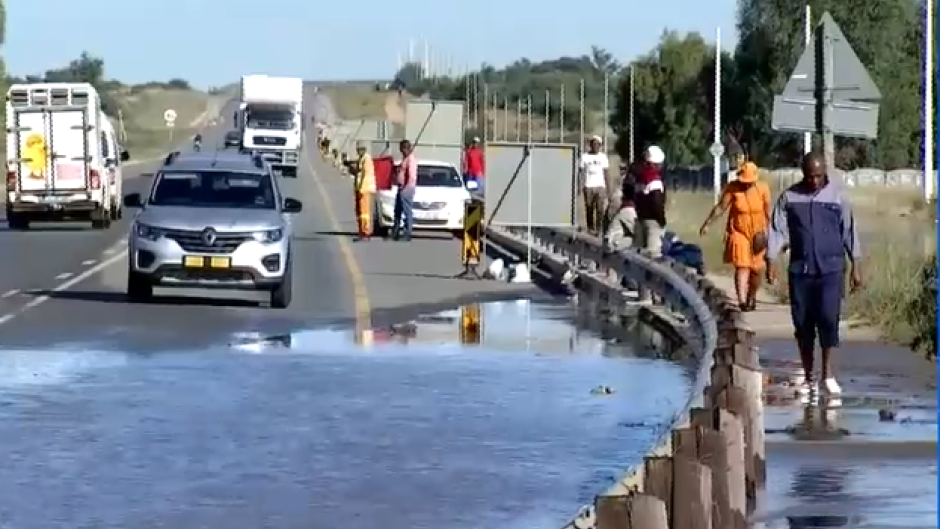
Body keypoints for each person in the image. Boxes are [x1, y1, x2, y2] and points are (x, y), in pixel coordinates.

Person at [766, 151, 863, 399]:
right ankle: (809, 377)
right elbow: (777, 229)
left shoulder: (837, 196)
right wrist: (771, 260)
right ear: (803, 173)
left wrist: (857, 266)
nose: (814, 181)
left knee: (829, 320)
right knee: (803, 325)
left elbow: (849, 231)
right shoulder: (789, 197)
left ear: (825, 173)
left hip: (831, 269)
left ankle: (827, 374)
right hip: (801, 270)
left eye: (818, 176)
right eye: (809, 177)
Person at [698, 162, 771, 311]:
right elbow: (720, 208)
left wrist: (772, 234)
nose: (746, 185)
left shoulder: (763, 188)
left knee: (757, 270)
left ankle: (751, 295)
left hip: (758, 234)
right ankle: (742, 301)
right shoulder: (732, 188)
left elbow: (768, 213)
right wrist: (707, 224)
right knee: (742, 266)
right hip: (739, 231)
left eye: (749, 182)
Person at [633, 145, 667, 257]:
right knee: (653, 256)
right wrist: (662, 220)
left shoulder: (640, 177)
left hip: (639, 219)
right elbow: (656, 202)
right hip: (652, 221)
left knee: (639, 256)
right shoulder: (654, 179)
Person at [578, 135, 609, 235]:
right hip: (588, 185)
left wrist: (608, 187)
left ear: (600, 146)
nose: (595, 146)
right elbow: (581, 172)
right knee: (589, 207)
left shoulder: (603, 157)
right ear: (590, 145)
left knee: (600, 208)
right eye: (593, 144)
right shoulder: (585, 157)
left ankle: (598, 228)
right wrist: (580, 185)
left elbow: (606, 172)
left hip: (600, 185)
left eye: (597, 144)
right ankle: (590, 227)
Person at [392, 139, 417, 241]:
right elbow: (403, 169)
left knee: (407, 211)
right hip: (401, 188)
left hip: (407, 188)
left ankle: (407, 233)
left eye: (402, 149)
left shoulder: (411, 159)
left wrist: (405, 189)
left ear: (405, 148)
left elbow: (411, 176)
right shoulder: (405, 158)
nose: (401, 151)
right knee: (397, 210)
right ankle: (396, 231)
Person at [604, 182, 637, 251]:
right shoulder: (628, 210)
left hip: (609, 240)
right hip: (612, 244)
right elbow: (636, 231)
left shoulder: (623, 208)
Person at [353, 142, 376, 241]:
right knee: (359, 212)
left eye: (359, 149)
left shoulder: (366, 159)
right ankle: (361, 231)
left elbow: (365, 175)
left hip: (364, 189)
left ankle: (365, 232)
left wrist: (361, 188)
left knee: (364, 212)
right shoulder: (361, 159)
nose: (358, 151)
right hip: (359, 188)